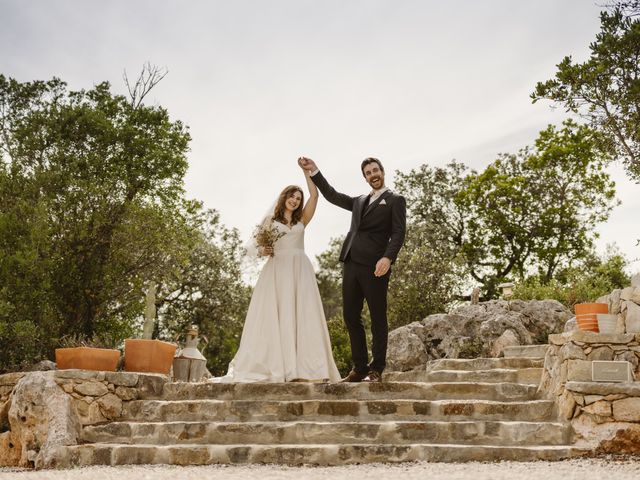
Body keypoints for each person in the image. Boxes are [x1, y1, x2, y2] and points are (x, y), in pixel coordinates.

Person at [212, 167, 341, 383]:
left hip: (300, 270)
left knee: (303, 314)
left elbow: (315, 195)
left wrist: (306, 173)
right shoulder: (270, 221)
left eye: (298, 198)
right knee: (278, 315)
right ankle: (282, 367)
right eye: (292, 196)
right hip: (278, 270)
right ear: (284, 198)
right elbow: (256, 248)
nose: (295, 200)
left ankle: (306, 369)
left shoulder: (302, 221)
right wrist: (264, 250)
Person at [298, 156, 406, 383]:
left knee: (378, 317)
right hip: (351, 263)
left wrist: (387, 257)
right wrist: (314, 171)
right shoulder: (359, 201)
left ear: (382, 172)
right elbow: (332, 195)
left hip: (376, 266)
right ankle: (359, 368)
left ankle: (376, 368)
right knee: (350, 316)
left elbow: (398, 233)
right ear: (365, 177)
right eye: (368, 173)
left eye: (376, 170)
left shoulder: (395, 200)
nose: (373, 175)